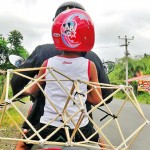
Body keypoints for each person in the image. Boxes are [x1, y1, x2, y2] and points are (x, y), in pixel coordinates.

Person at [11, 1, 113, 130]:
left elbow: (18, 79)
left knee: (23, 143)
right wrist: (81, 95)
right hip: (80, 126)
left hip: (42, 123)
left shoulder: (42, 53)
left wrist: (19, 94)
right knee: (99, 143)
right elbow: (106, 96)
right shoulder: (92, 59)